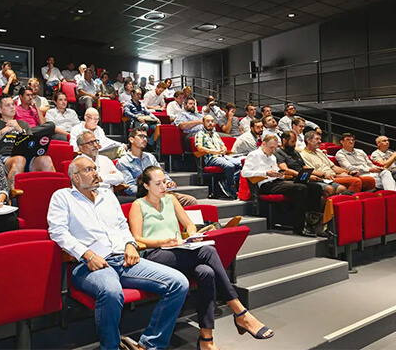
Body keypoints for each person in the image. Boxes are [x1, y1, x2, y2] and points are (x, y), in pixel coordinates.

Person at [46, 156, 189, 350]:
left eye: (95, 168)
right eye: (88, 170)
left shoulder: (107, 195)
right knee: (111, 292)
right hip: (89, 265)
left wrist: (131, 244)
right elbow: (58, 232)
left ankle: (150, 345)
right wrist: (87, 254)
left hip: (123, 258)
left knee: (179, 283)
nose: (96, 173)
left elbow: (122, 225)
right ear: (75, 178)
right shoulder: (62, 197)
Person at [130, 166, 274, 349]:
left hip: (179, 251)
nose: (163, 186)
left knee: (206, 272)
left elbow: (189, 225)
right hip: (154, 255)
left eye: (164, 182)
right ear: (146, 185)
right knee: (208, 252)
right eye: (158, 183)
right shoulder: (139, 205)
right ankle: (240, 312)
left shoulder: (171, 200)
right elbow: (136, 239)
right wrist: (163, 241)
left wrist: (191, 234)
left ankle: (207, 338)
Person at [243, 134, 317, 236]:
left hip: (277, 181)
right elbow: (245, 173)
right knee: (301, 188)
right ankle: (299, 227)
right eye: (271, 148)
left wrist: (280, 174)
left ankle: (313, 222)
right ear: (263, 144)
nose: (273, 151)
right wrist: (265, 173)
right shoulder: (254, 155)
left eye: (275, 148)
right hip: (265, 184)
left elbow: (277, 172)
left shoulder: (272, 157)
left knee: (314, 187)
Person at [0, 94, 55, 190]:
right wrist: (4, 131)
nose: (12, 107)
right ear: (0, 110)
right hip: (4, 158)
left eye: (13, 104)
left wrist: (19, 130)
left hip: (26, 156)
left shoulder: (23, 124)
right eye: (7, 105)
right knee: (19, 159)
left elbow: (32, 144)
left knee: (46, 159)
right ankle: (12, 196)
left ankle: (53, 196)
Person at [117, 127, 197, 207]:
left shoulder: (150, 157)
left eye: (145, 137)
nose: (144, 139)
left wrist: (169, 182)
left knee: (190, 201)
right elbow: (130, 188)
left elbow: (163, 173)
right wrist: (153, 190)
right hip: (143, 197)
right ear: (131, 139)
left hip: (161, 192)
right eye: (141, 136)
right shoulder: (123, 162)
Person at [275, 131, 341, 216]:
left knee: (338, 188)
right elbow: (285, 169)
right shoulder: (279, 153)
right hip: (293, 179)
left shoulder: (295, 152)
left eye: (295, 141)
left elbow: (305, 167)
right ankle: (317, 217)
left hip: (304, 178)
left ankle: (320, 215)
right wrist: (307, 176)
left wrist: (322, 174)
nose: (294, 144)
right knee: (328, 189)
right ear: (284, 141)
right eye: (292, 142)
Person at [299, 131, 368, 193]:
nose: (320, 141)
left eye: (320, 139)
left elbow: (333, 167)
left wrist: (349, 172)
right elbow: (312, 171)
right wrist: (337, 176)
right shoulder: (303, 155)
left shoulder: (319, 152)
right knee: (356, 181)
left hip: (333, 176)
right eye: (317, 139)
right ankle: (349, 203)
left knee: (368, 180)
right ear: (308, 140)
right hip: (325, 178)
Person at [195, 115, 242, 199]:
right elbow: (199, 148)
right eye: (208, 121)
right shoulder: (200, 134)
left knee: (241, 164)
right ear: (203, 123)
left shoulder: (215, 134)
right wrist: (214, 151)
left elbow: (222, 146)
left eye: (212, 121)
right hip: (211, 158)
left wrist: (224, 149)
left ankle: (226, 181)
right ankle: (231, 186)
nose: (210, 123)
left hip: (222, 156)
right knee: (229, 166)